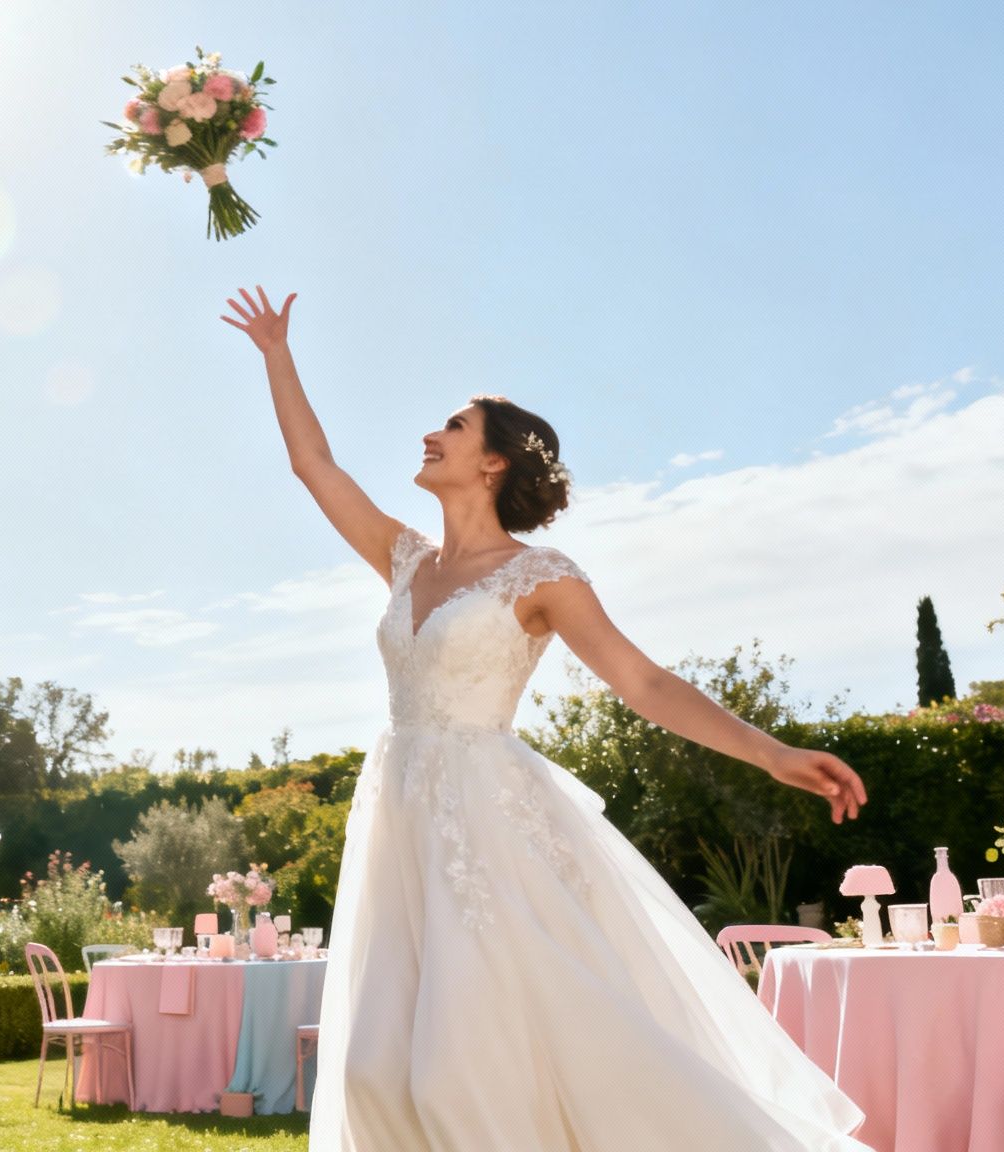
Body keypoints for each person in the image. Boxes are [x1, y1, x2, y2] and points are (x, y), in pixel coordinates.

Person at [220, 288, 872, 1151]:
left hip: (486, 820)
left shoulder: (542, 575)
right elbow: (315, 466)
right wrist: (276, 355)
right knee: (374, 1069)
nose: (431, 434)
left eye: (453, 425)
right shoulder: (406, 559)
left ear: (493, 463)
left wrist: (771, 752)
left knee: (466, 1065)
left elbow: (643, 682)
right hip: (399, 815)